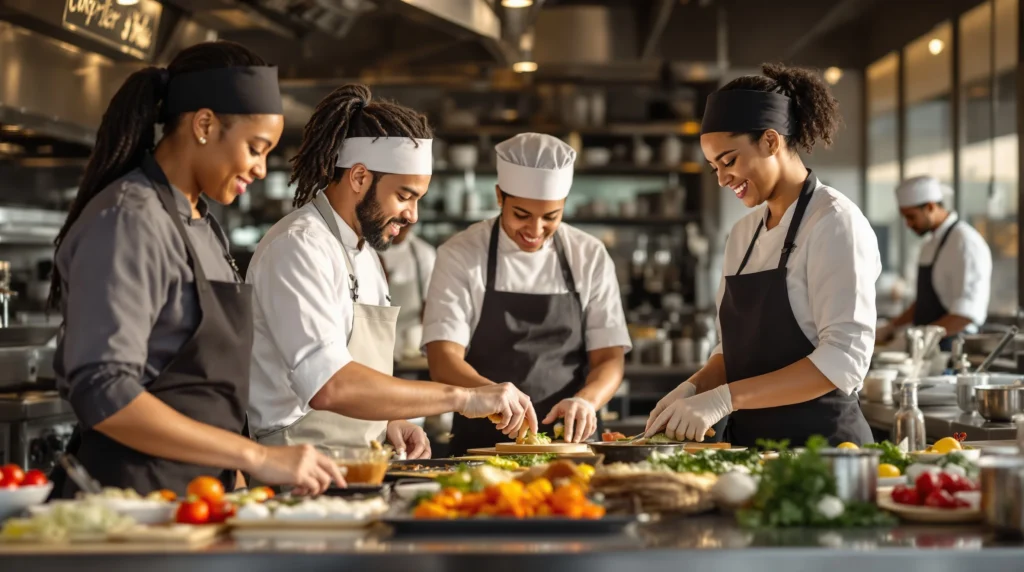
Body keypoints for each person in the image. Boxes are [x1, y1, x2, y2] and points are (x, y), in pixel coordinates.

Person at [49, 41, 345, 498]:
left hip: (201, 498)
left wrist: (241, 480)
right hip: (131, 505)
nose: (263, 169)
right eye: (255, 148)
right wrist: (259, 456)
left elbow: (213, 395)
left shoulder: (203, 224)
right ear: (204, 125)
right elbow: (103, 389)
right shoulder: (130, 219)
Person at [246, 85, 537, 459]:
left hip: (355, 465)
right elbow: (329, 386)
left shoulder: (365, 250)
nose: (413, 215)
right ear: (359, 177)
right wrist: (463, 397)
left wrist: (387, 422)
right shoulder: (298, 247)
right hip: (295, 469)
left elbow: (355, 373)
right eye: (404, 196)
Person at [644, 63, 881, 447]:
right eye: (713, 167)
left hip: (821, 452)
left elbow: (842, 360)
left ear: (771, 141)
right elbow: (733, 351)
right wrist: (692, 388)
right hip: (751, 448)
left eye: (729, 160)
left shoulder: (834, 223)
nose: (722, 179)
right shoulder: (742, 234)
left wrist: (724, 399)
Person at [423, 133, 631, 455]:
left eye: (551, 217)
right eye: (522, 215)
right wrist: (490, 394)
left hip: (571, 445)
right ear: (499, 197)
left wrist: (586, 400)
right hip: (482, 446)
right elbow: (443, 359)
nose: (535, 231)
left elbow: (609, 358)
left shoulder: (588, 254)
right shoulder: (461, 254)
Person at [877, 176, 992, 350]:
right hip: (929, 348)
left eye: (911, 217)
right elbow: (924, 303)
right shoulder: (929, 244)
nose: (908, 224)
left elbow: (966, 314)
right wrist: (891, 327)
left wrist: (922, 337)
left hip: (953, 349)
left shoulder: (965, 243)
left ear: (930, 207)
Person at [378, 224, 436, 361]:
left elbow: (430, 304)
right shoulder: (368, 251)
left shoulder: (423, 253)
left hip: (410, 337)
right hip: (378, 332)